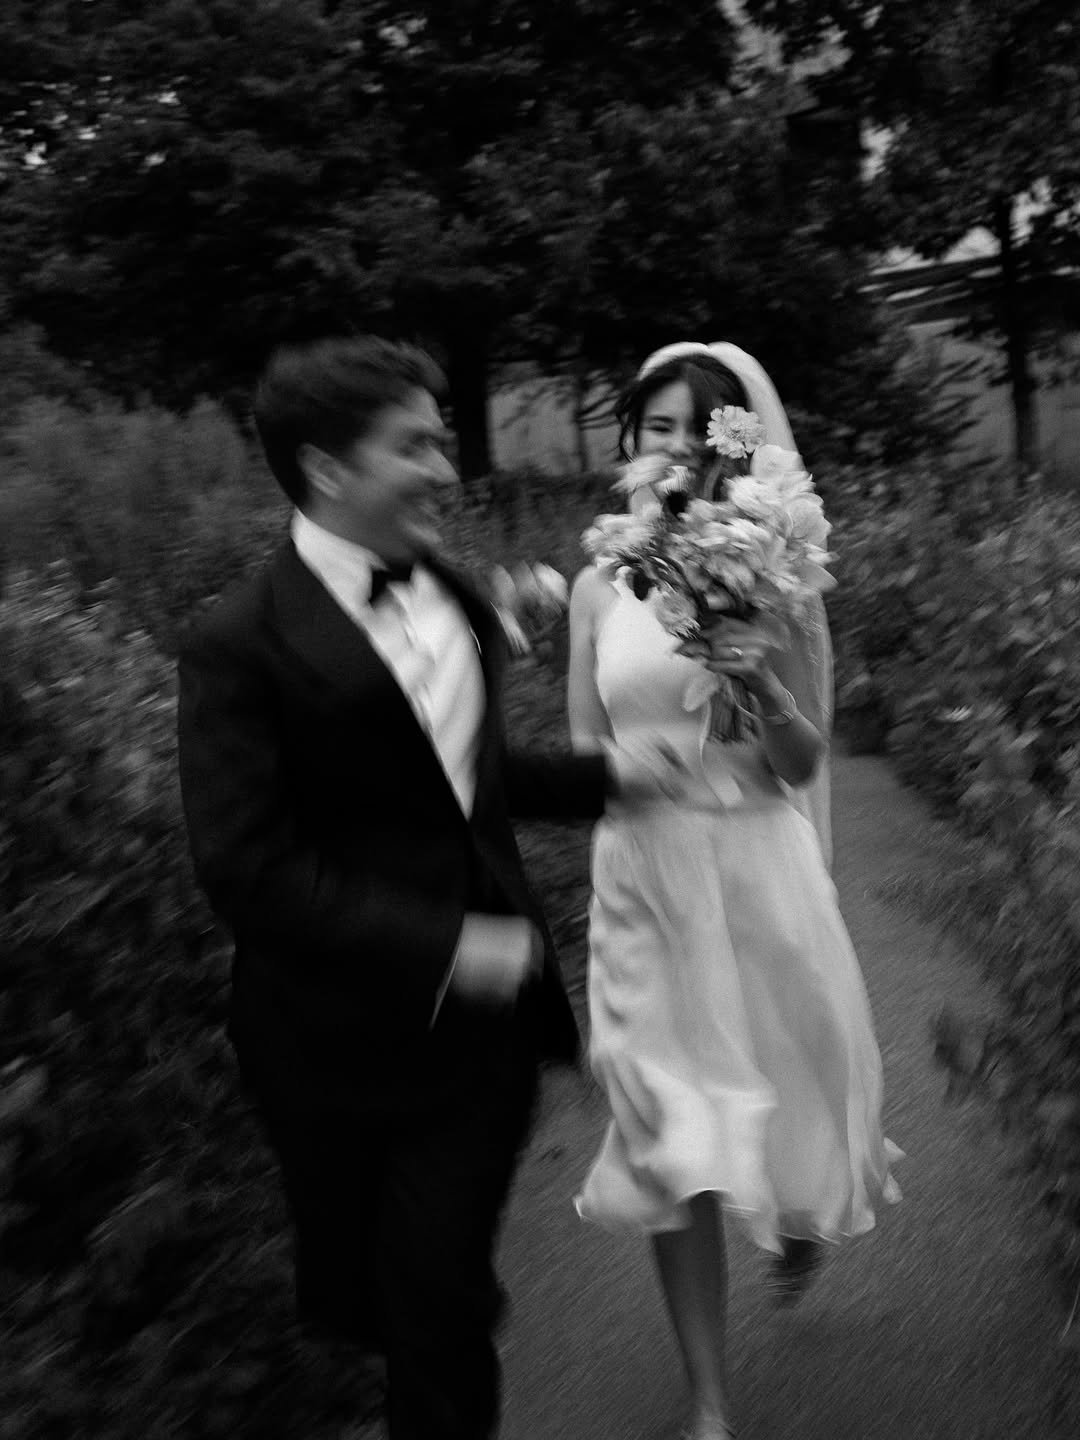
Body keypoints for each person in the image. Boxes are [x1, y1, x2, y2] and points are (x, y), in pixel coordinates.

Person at [176, 336, 684, 1440]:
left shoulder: (450, 590)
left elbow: (464, 776)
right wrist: (444, 944)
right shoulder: (237, 646)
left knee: (437, 1304)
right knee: (369, 1302)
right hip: (333, 1047)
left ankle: (440, 1333)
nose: (448, 472)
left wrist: (610, 779)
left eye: (441, 440)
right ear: (326, 472)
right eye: (414, 447)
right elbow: (248, 869)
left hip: (476, 1053)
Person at [567, 341, 900, 1440]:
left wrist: (755, 671)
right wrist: (620, 773)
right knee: (675, 1138)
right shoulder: (592, 585)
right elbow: (581, 742)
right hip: (643, 880)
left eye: (690, 430)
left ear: (730, 449)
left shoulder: (768, 573)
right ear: (628, 442)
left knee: (794, 1077)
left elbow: (802, 764)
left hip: (754, 862)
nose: (668, 447)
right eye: (651, 427)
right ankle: (708, 1402)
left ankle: (799, 1217)